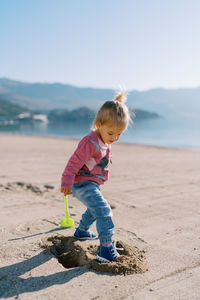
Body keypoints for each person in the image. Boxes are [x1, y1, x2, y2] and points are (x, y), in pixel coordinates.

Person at [61, 91, 132, 262]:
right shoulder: (90, 141)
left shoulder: (104, 140)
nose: (114, 138)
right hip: (81, 184)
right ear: (99, 124)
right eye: (111, 133)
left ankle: (82, 231)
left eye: (119, 134)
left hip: (92, 183)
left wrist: (108, 158)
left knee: (94, 209)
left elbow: (102, 151)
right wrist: (66, 181)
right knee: (103, 211)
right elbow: (74, 162)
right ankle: (106, 249)